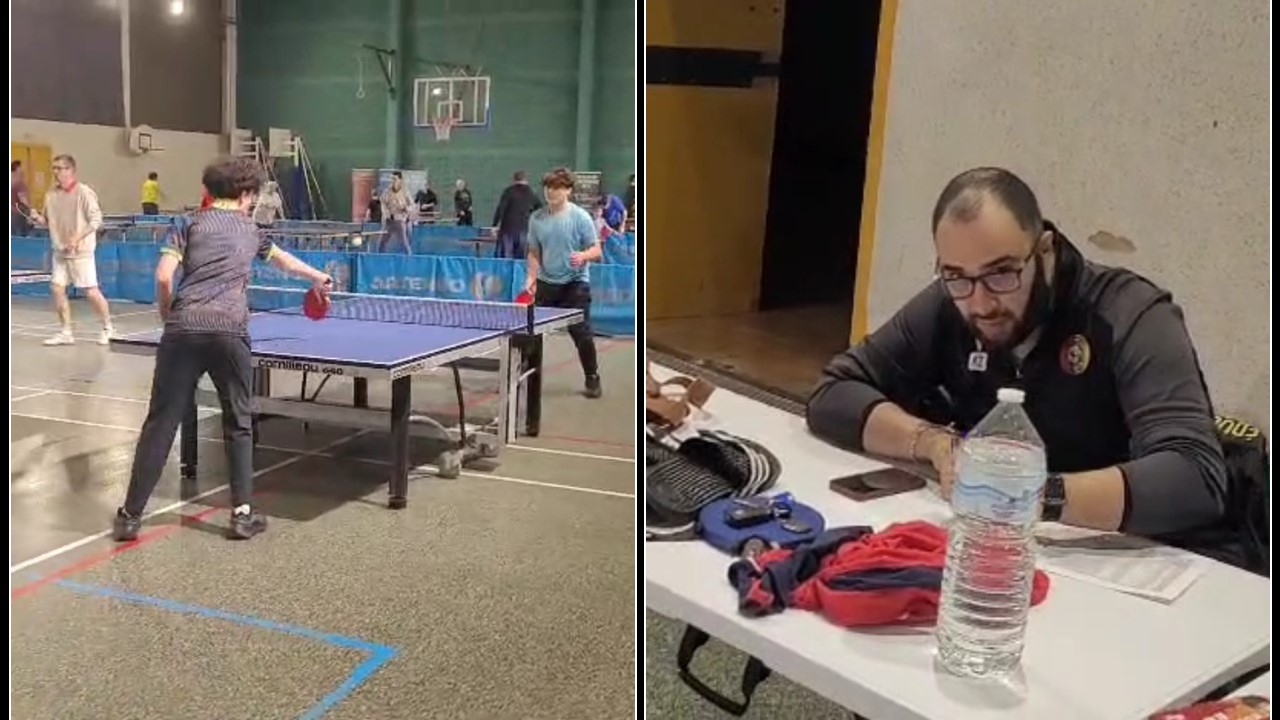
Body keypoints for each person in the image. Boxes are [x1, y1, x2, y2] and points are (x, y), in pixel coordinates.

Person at [807, 167, 1231, 553]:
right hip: (992, 550)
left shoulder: (1129, 314)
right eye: (956, 276)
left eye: (1002, 273)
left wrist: (1036, 495)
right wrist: (934, 444)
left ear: (1044, 251)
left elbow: (1196, 478)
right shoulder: (953, 302)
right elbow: (833, 393)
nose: (981, 303)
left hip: (1118, 556)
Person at [113, 156, 333, 542]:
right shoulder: (252, 229)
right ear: (246, 194)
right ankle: (242, 515)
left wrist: (168, 316)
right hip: (229, 332)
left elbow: (163, 276)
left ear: (210, 190)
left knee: (161, 423)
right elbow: (283, 262)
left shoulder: (187, 223)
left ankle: (130, 516)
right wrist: (318, 276)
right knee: (238, 422)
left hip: (183, 330)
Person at [524, 167, 604, 400]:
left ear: (568, 190)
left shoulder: (580, 217)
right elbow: (534, 251)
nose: (551, 191)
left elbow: (597, 250)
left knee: (582, 334)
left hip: (575, 284)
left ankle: (592, 377)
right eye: (548, 187)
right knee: (532, 334)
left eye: (557, 187)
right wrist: (531, 277)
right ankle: (526, 379)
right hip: (546, 282)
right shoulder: (536, 219)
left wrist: (584, 256)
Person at [37, 154, 114, 346]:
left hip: (81, 252)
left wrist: (77, 238)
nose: (55, 172)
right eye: (54, 168)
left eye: (59, 168)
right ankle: (66, 332)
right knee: (57, 288)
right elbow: (47, 221)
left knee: (91, 291)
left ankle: (108, 327)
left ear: (70, 170)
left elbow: (96, 220)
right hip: (59, 251)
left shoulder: (84, 193)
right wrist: (38, 219)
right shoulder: (50, 195)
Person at [491, 170, 542, 258]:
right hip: (524, 228)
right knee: (521, 258)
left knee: (506, 258)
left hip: (508, 229)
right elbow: (540, 208)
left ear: (514, 180)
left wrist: (494, 225)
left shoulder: (508, 191)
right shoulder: (531, 193)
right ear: (526, 180)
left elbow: (501, 208)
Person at [380, 171, 413, 254]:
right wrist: (385, 213)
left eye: (395, 179)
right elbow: (383, 203)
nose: (392, 181)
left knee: (404, 242)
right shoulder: (387, 192)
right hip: (389, 220)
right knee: (382, 242)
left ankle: (409, 257)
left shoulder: (405, 192)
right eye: (391, 179)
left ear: (400, 180)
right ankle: (380, 257)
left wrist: (406, 208)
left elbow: (412, 205)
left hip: (400, 220)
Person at [11, 160, 32, 236]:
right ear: (17, 169)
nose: (23, 170)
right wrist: (32, 212)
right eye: (21, 168)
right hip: (18, 215)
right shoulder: (19, 183)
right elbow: (23, 201)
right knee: (21, 238)